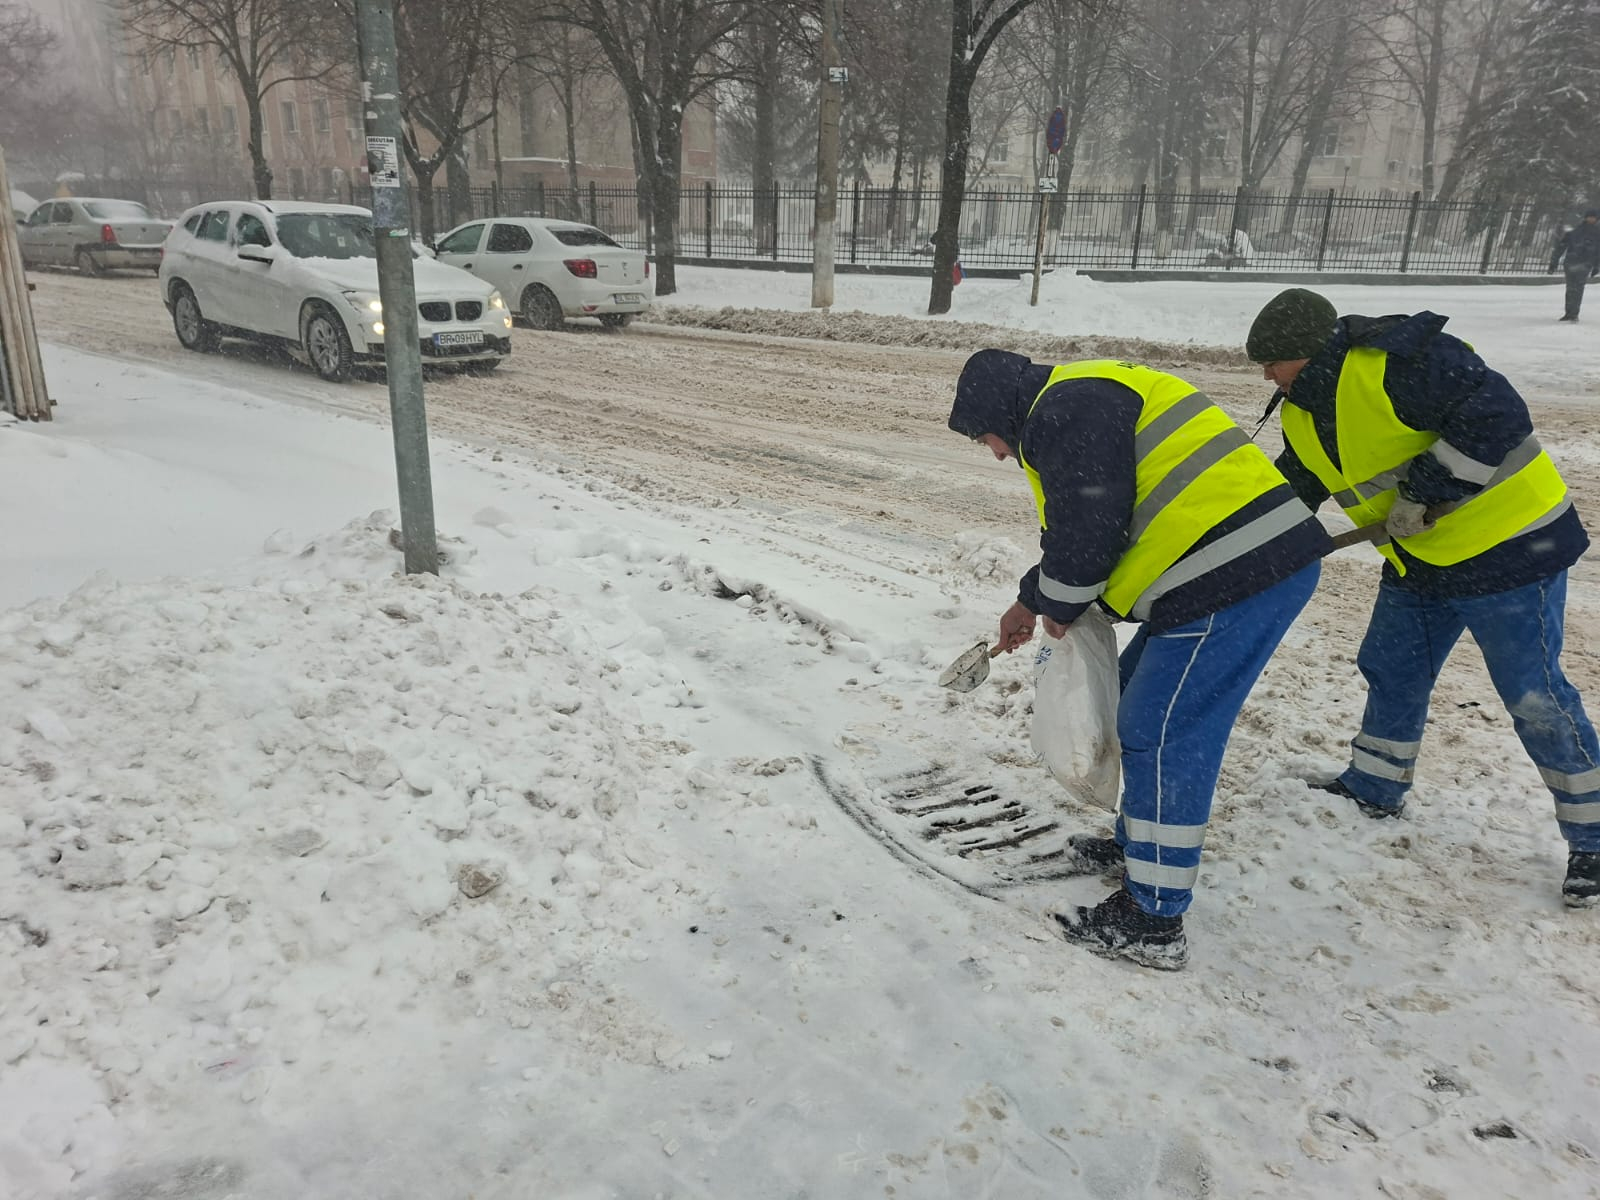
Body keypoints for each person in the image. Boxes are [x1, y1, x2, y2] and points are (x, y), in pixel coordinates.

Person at [949, 352, 1330, 969]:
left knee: (1161, 727)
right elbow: (1079, 530)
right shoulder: (1077, 398)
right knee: (1138, 701)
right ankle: (1139, 846)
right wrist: (1032, 598)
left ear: (1000, 412)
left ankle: (1154, 917)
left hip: (1238, 573)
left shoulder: (1065, 409)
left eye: (985, 436)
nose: (995, 452)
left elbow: (1092, 531)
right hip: (1222, 569)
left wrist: (1059, 606)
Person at [1246, 288, 1600, 909]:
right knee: (1392, 669)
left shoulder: (1399, 362)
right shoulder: (1302, 409)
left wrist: (1426, 488)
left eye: (1272, 362)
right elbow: (1296, 485)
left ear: (1308, 351)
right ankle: (1376, 784)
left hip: (1511, 549)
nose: (1266, 375)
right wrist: (1243, 539)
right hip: (1423, 563)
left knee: (1534, 694)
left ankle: (1592, 836)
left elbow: (1498, 414)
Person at [1549, 209, 1600, 323]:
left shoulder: (1597, 233)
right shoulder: (1576, 231)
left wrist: (1597, 266)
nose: (1591, 219)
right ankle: (1568, 313)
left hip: (1585, 264)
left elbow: (1598, 251)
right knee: (1570, 288)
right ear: (1585, 217)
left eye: (1594, 217)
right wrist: (1554, 262)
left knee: (1578, 289)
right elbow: (1561, 247)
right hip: (1571, 263)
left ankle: (1574, 313)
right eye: (1589, 217)